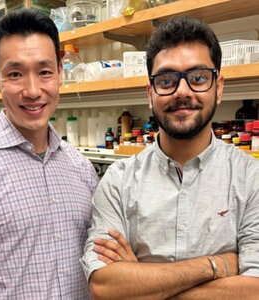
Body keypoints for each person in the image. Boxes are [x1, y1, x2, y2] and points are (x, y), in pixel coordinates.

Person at [81, 16, 259, 299]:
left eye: (198, 77)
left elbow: (253, 292)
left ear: (219, 87)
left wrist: (143, 283)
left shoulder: (252, 179)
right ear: (150, 94)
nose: (183, 91)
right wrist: (217, 265)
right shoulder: (118, 180)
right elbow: (106, 285)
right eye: (166, 80)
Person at [0, 9, 98, 299]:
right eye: (15, 74)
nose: (33, 90)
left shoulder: (81, 168)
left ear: (60, 72)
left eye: (45, 71)